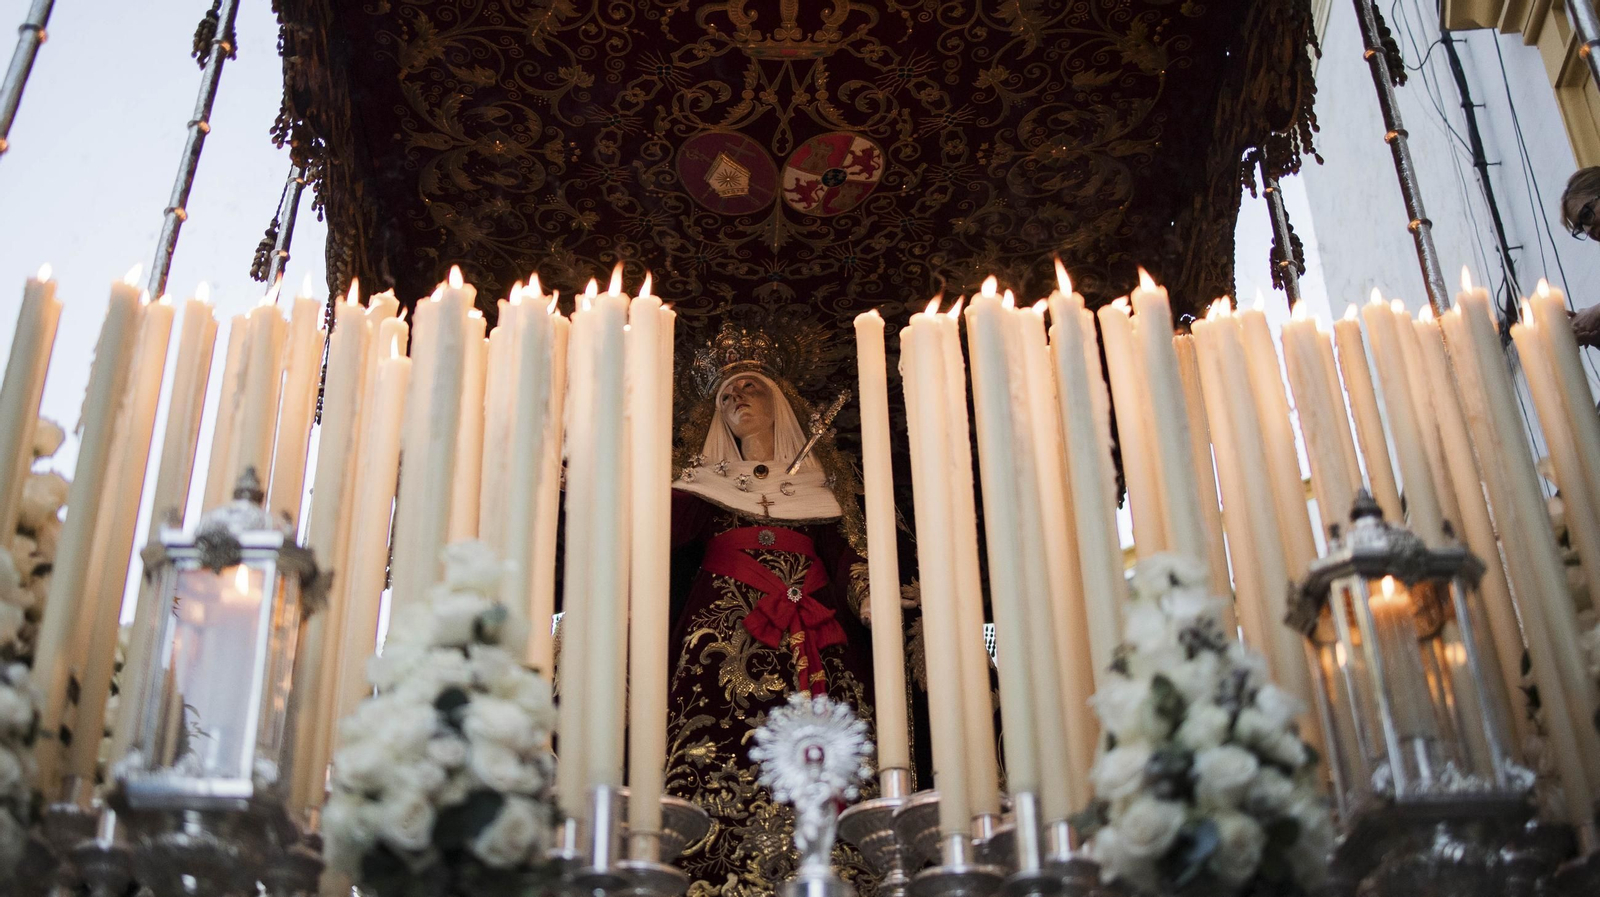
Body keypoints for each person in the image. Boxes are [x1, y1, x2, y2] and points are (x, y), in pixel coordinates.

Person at [663, 325, 882, 897]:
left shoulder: (820, 485)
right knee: (723, 734)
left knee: (831, 738)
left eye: (750, 387)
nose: (737, 398)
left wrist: (868, 597)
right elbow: (655, 533)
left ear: (778, 403)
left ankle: (834, 861)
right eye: (725, 394)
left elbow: (846, 554)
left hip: (818, 631)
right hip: (724, 634)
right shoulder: (700, 482)